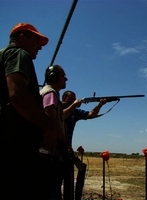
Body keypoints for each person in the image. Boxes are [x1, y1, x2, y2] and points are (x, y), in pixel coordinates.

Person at [0, 23, 58, 200]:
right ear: (22, 38)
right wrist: (49, 128)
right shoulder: (18, 53)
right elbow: (17, 95)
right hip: (16, 148)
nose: (40, 46)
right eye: (36, 40)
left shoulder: (4, 55)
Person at [61, 90, 107, 200]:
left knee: (68, 180)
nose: (73, 101)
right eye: (70, 99)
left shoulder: (75, 112)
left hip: (67, 149)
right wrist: (73, 105)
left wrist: (100, 105)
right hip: (56, 147)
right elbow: (61, 116)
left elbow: (91, 114)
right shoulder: (58, 108)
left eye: (74, 99)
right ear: (64, 99)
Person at [40, 65, 70, 200]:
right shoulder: (50, 93)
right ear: (54, 77)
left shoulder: (51, 93)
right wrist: (62, 139)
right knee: (51, 191)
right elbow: (50, 116)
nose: (66, 79)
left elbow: (58, 116)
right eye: (63, 76)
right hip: (49, 152)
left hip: (48, 150)